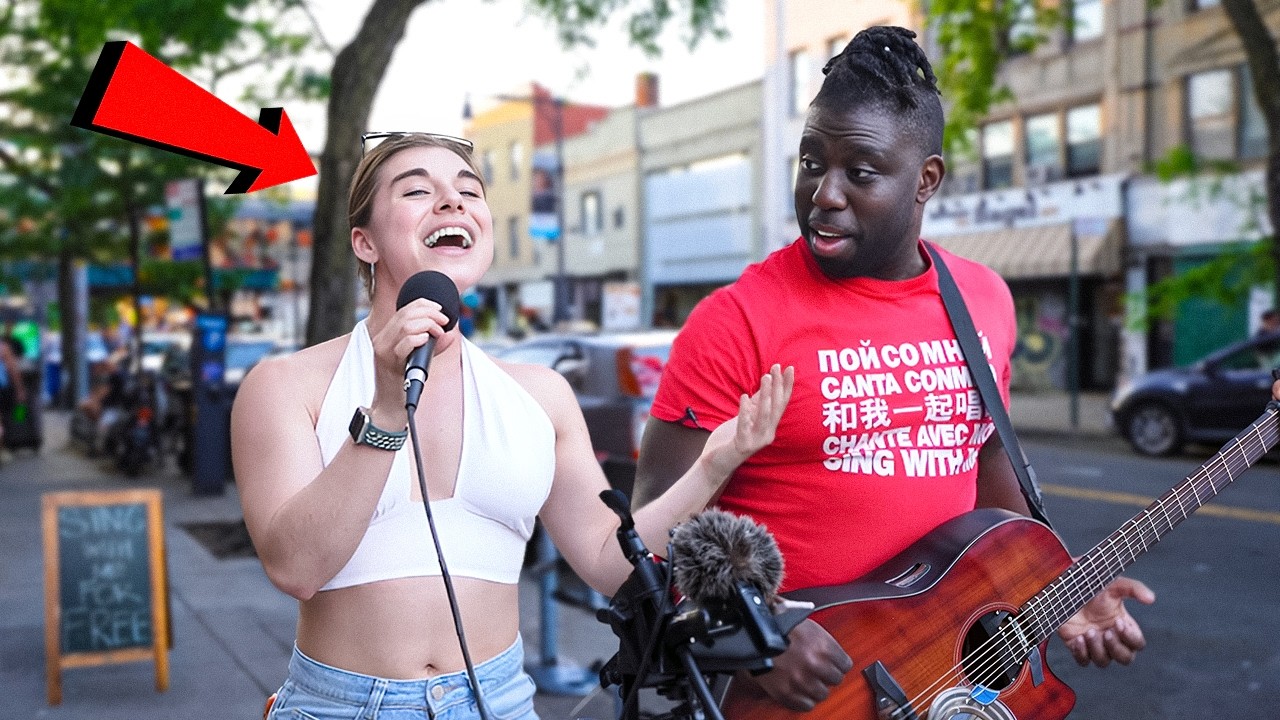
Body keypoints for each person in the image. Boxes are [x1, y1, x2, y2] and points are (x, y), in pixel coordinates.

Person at [633, 26, 1165, 714]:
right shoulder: (734, 321)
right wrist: (753, 634)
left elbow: (989, 462)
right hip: (793, 698)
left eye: (860, 172)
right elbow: (648, 534)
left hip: (933, 683)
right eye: (810, 162)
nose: (823, 193)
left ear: (926, 181)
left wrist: (1052, 589)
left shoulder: (983, 298)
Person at [230, 132, 795, 720]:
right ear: (364, 242)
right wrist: (386, 412)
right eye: (418, 190)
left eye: (468, 191)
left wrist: (714, 463)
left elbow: (607, 559)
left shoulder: (540, 395)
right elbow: (295, 568)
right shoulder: (284, 385)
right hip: (342, 706)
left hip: (496, 702)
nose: (452, 202)